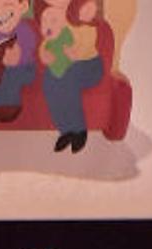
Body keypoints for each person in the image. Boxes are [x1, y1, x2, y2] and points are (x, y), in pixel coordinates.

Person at [41, 0, 106, 153]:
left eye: (92, 7)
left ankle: (79, 130)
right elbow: (48, 41)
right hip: (66, 65)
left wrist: (74, 54)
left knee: (68, 80)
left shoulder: (88, 21)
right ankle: (66, 130)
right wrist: (45, 54)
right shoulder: (60, 17)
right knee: (49, 82)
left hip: (90, 65)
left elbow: (85, 46)